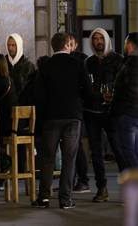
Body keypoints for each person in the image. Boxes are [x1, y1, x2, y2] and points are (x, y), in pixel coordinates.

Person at [32, 32, 86, 209]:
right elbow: (87, 89)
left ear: (53, 46)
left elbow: (38, 95)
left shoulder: (46, 66)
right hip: (72, 116)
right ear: (66, 45)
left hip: (51, 117)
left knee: (47, 157)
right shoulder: (77, 64)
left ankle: (44, 197)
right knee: (69, 158)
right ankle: (65, 198)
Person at [83, 27, 126, 202]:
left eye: (101, 38)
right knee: (95, 151)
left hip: (111, 112)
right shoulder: (88, 62)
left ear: (106, 40)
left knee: (119, 150)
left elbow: (123, 85)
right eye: (95, 39)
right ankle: (102, 188)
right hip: (92, 112)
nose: (98, 42)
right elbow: (85, 84)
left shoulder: (118, 60)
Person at [67, 34, 91, 194]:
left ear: (75, 45)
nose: (68, 47)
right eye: (66, 44)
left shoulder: (82, 60)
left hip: (78, 109)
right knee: (70, 147)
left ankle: (83, 180)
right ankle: (70, 180)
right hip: (70, 108)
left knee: (78, 147)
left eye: (70, 44)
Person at [112, 33, 138, 169]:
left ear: (129, 45)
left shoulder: (131, 64)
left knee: (128, 152)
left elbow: (130, 88)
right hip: (132, 112)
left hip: (128, 113)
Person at [5, 33, 35, 99]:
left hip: (23, 104)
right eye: (8, 45)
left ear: (19, 46)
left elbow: (32, 88)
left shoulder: (28, 65)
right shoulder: (3, 63)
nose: (10, 48)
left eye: (13, 45)